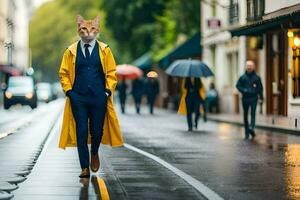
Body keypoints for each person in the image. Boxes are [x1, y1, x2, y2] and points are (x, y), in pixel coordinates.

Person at [58, 15, 123, 178]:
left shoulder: (105, 50)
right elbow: (63, 73)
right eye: (83, 29)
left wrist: (107, 92)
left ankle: (94, 152)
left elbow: (112, 73)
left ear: (97, 30)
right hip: (78, 97)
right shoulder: (70, 51)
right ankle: (84, 167)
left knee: (96, 131)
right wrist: (69, 92)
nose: (88, 32)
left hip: (98, 97)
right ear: (78, 29)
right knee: (81, 131)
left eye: (92, 28)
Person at [236, 60, 263, 139]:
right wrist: (244, 90)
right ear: (246, 67)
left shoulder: (257, 77)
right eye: (248, 66)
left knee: (253, 113)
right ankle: (247, 131)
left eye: (251, 66)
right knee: (245, 115)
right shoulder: (242, 77)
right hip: (245, 98)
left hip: (254, 98)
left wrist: (261, 98)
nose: (249, 67)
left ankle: (252, 127)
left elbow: (260, 88)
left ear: (253, 67)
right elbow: (238, 85)